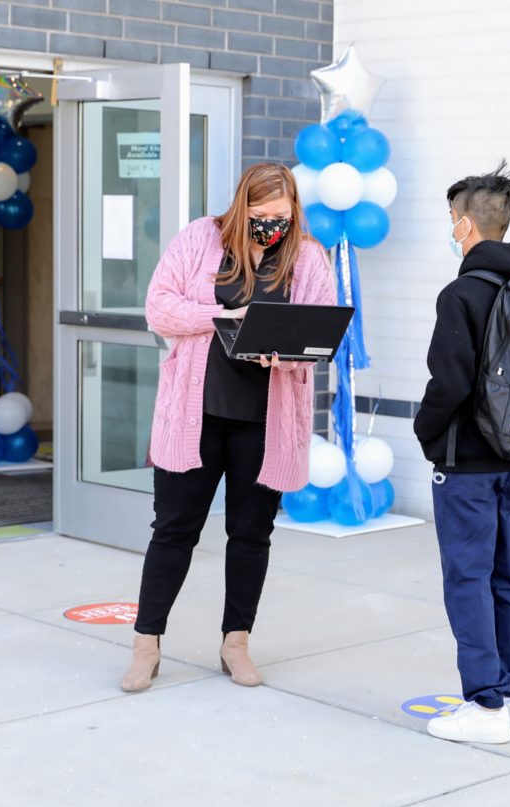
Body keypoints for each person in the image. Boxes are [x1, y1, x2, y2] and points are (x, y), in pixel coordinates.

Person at [119, 163, 336, 693]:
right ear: (242, 207)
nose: (270, 226)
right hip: (196, 418)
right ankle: (146, 644)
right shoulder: (200, 237)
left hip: (264, 424)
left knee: (251, 536)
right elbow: (160, 307)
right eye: (260, 216)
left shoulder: (307, 256)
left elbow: (320, 333)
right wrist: (227, 314)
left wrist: (281, 356)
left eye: (280, 217)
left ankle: (235, 643)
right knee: (173, 532)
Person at [413, 161, 510, 745]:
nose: (450, 228)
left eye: (451, 219)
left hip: (466, 463)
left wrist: (426, 433)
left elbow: (448, 383)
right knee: (503, 577)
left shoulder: (461, 295)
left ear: (466, 225)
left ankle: (484, 704)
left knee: (466, 579)